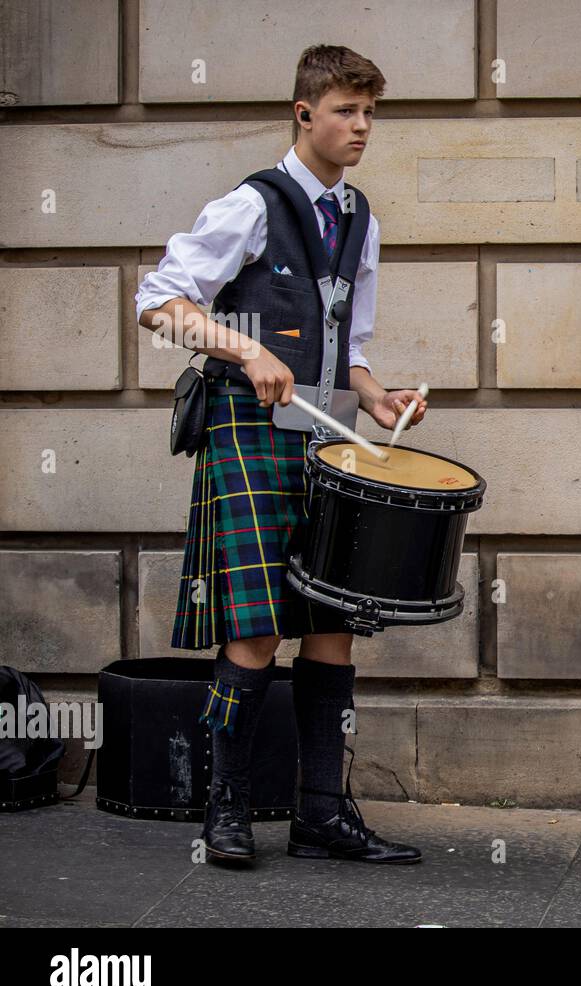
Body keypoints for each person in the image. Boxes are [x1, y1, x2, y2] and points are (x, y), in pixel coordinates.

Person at [137, 45, 428, 867]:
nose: (362, 127)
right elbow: (157, 300)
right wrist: (242, 348)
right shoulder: (253, 204)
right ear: (304, 115)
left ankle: (322, 816)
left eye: (370, 113)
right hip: (247, 431)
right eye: (346, 112)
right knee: (257, 631)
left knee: (333, 624)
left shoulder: (361, 218)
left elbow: (351, 346)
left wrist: (379, 396)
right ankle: (223, 813)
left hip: (327, 435)